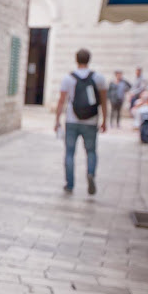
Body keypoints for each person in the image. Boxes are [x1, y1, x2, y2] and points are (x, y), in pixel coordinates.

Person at [54, 48, 108, 195]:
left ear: (76, 59)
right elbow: (103, 101)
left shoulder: (68, 78)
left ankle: (70, 184)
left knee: (70, 153)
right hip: (91, 121)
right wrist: (104, 120)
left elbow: (61, 101)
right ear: (89, 59)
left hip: (72, 120)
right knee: (91, 151)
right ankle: (90, 173)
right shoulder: (99, 78)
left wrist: (57, 120)